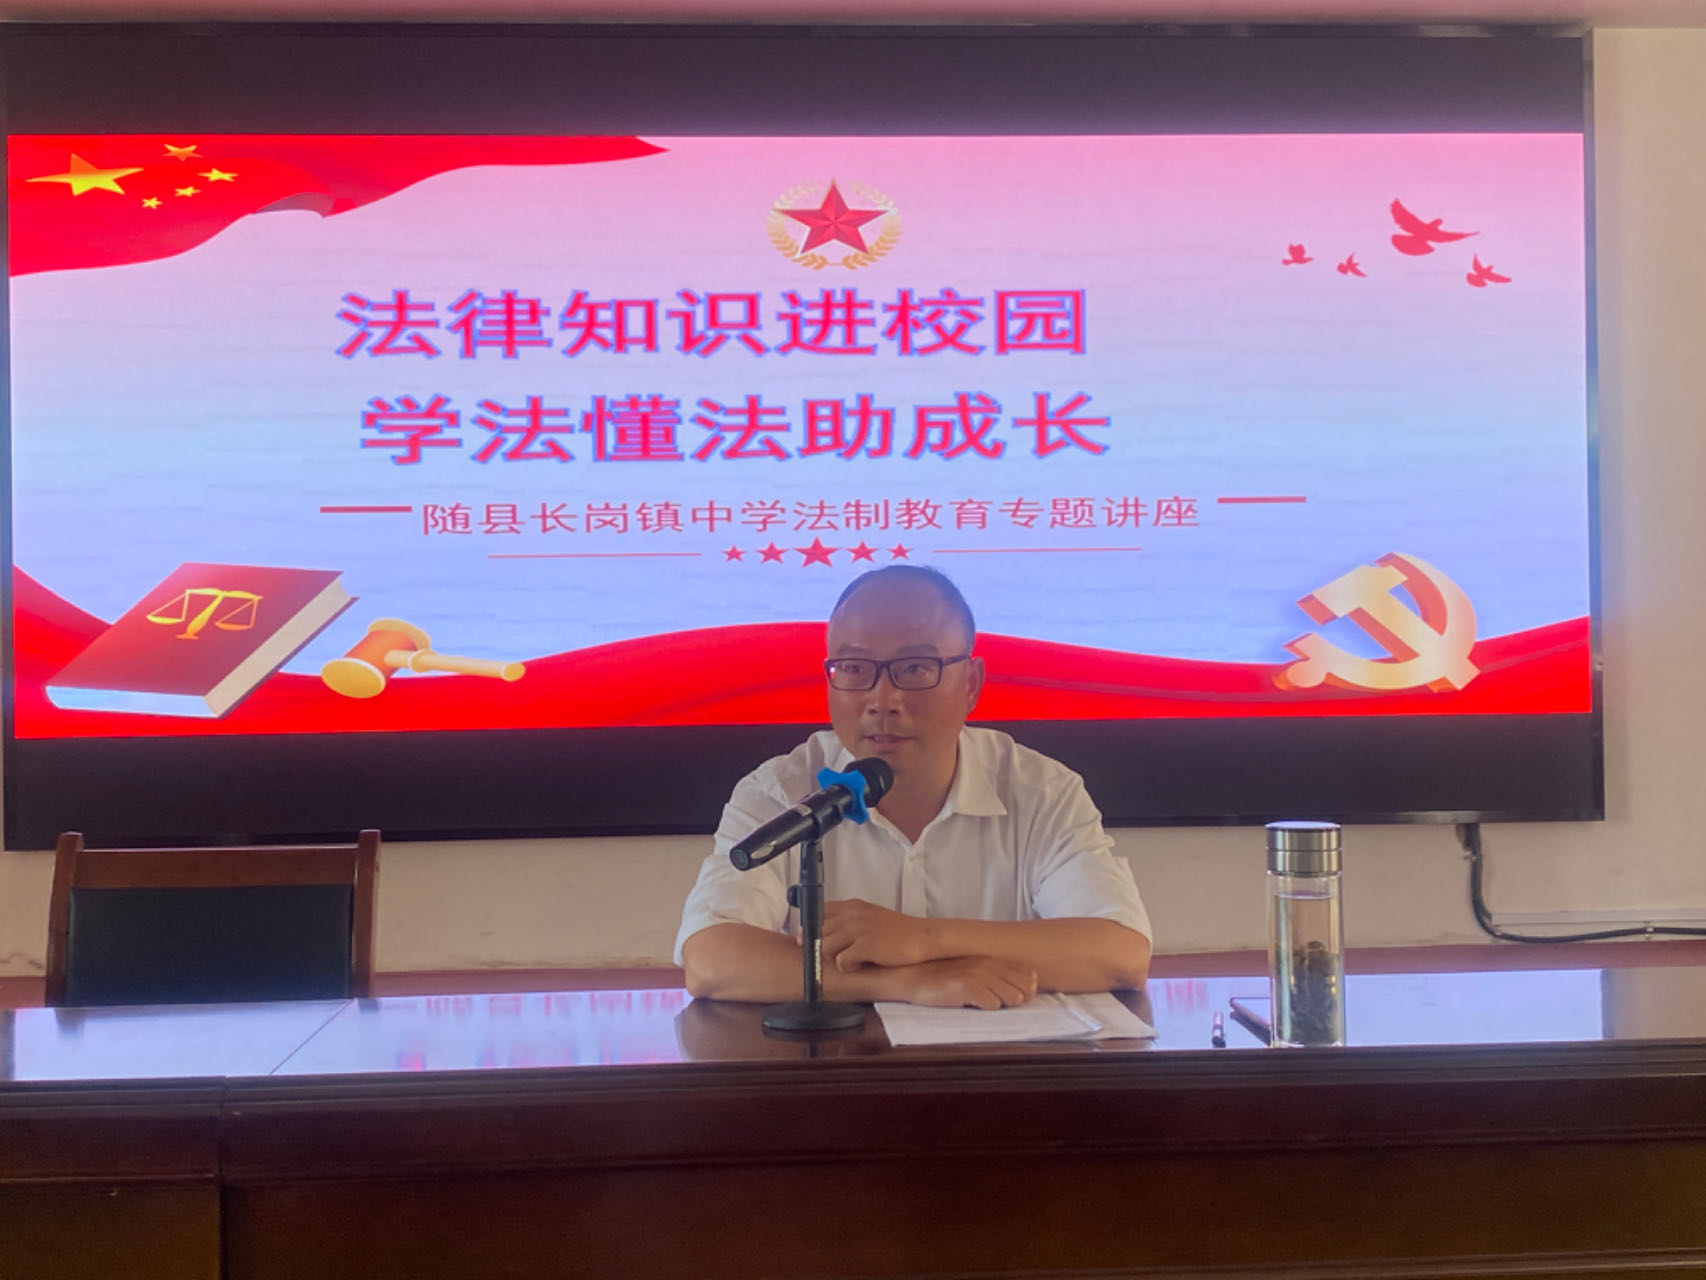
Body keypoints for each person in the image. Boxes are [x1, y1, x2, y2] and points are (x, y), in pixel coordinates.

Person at [675, 565, 1151, 1009]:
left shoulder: (1040, 791)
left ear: (971, 683)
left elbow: (1120, 953)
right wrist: (902, 981)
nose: (883, 700)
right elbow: (711, 958)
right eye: (854, 669)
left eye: (916, 668)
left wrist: (922, 939)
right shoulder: (782, 791)